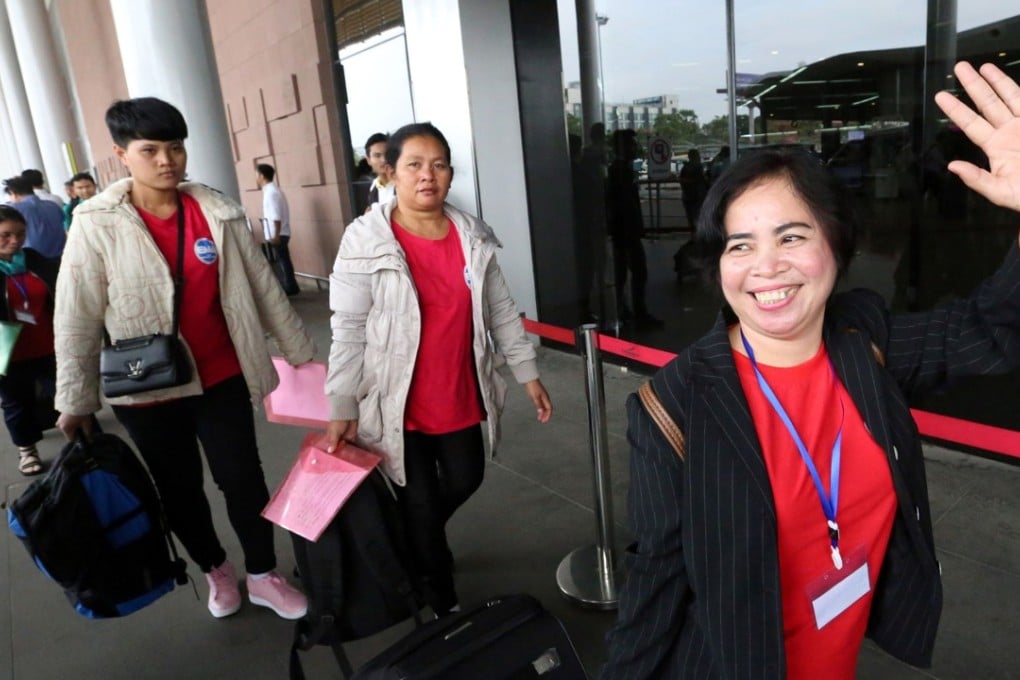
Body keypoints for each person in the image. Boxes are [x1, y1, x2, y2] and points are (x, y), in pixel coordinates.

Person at [601, 61, 1020, 679]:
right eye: (739, 245)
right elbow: (655, 585)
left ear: (836, 246)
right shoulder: (676, 406)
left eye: (791, 236)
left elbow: (991, 329)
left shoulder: (864, 342)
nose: (765, 266)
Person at [53, 97, 316, 621]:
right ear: (121, 155)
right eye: (149, 149)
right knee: (179, 490)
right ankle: (215, 570)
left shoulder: (216, 210)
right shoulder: (96, 222)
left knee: (242, 478)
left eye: (175, 147)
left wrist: (301, 356)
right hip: (146, 387)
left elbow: (264, 288)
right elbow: (76, 313)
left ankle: (263, 573)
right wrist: (75, 399)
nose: (166, 160)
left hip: (221, 376)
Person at [325, 122, 553, 617]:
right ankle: (439, 602)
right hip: (395, 399)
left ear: (449, 174)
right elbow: (348, 328)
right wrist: (341, 403)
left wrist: (527, 372)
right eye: (414, 165)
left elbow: (500, 309)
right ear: (391, 173)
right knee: (423, 503)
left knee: (465, 478)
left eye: (439, 164)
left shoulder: (471, 235)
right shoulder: (365, 239)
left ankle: (411, 539)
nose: (427, 175)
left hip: (456, 391)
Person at [0, 206, 59, 476]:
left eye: (21, 234)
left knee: (67, 395)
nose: (15, 241)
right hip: (8, 352)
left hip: (48, 344)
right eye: (5, 235)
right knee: (16, 402)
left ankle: (85, 441)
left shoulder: (34, 259)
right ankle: (27, 451)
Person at [605, 129, 661, 328]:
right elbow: (624, 204)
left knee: (624, 272)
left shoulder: (619, 169)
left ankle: (624, 309)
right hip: (626, 231)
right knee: (637, 271)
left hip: (623, 231)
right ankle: (637, 312)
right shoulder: (621, 171)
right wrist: (634, 228)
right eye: (632, 143)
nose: (635, 147)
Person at [255, 163, 300, 295]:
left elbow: (276, 216)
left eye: (257, 175)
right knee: (283, 259)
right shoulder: (273, 191)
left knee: (282, 261)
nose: (256, 179)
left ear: (262, 176)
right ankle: (291, 285)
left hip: (278, 233)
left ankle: (289, 287)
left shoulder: (271, 193)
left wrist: (275, 235)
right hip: (280, 232)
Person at [2, 175, 66, 261]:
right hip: (62, 257)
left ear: (13, 193)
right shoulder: (53, 205)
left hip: (34, 261)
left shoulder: (14, 210)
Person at [364, 132, 394, 210]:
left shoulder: (403, 184)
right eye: (377, 155)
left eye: (387, 154)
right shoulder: (374, 187)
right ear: (368, 160)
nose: (384, 160)